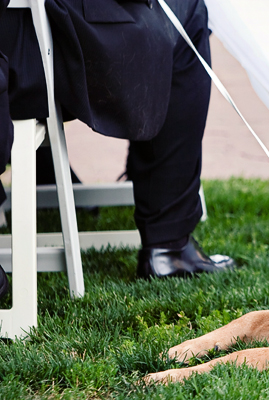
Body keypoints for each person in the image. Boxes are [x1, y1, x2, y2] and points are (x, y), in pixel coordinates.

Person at [0, 0, 235, 278]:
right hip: (36, 51)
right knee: (189, 9)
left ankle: (45, 171)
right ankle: (168, 243)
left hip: (14, 52)